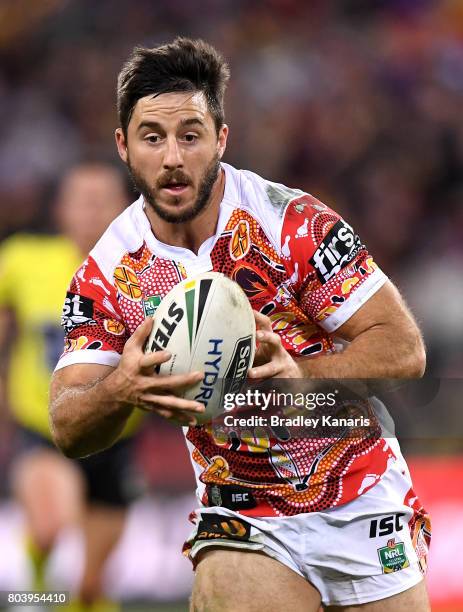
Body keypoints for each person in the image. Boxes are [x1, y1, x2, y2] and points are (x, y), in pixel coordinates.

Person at [49, 38, 431, 611]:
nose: (173, 157)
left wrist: (303, 374)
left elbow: (404, 350)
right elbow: (67, 423)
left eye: (191, 135)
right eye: (153, 137)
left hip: (362, 494)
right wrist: (121, 387)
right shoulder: (108, 274)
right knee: (229, 585)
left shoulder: (291, 222)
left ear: (221, 140)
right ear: (124, 147)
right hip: (242, 514)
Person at [0, 162, 142, 611]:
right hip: (43, 431)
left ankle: (57, 600)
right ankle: (34, 595)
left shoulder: (150, 275)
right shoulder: (23, 259)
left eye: (103, 198)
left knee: (89, 587)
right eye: (82, 198)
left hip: (117, 439)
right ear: (61, 209)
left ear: (126, 208)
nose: (92, 209)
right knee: (47, 526)